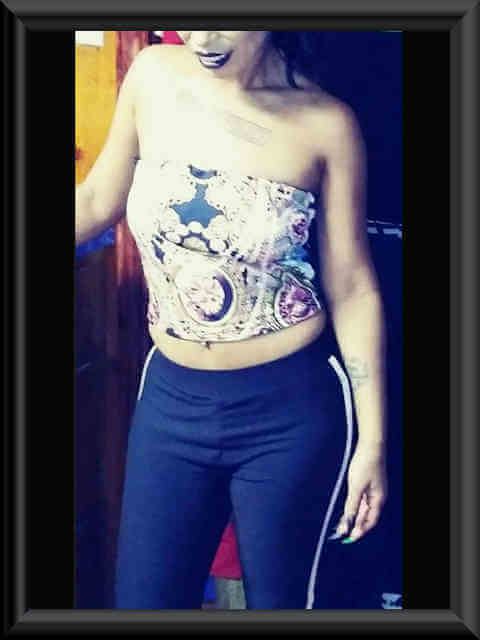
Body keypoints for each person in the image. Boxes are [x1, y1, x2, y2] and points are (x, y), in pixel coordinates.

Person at [75, 30, 389, 610]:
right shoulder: (153, 76)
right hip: (172, 399)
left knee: (281, 604)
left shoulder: (326, 124)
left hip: (289, 410)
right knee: (143, 602)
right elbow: (96, 201)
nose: (204, 36)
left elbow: (352, 287)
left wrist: (373, 441)